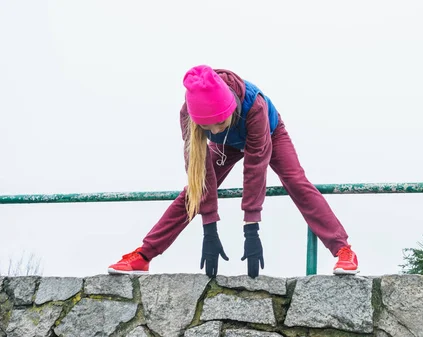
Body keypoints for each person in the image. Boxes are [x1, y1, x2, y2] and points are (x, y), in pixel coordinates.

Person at [107, 65, 359, 278]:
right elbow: (200, 175)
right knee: (192, 193)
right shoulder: (189, 114)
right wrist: (209, 227)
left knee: (296, 182)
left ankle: (343, 250)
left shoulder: (254, 106)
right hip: (228, 145)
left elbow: (255, 168)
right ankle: (143, 255)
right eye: (207, 127)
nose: (213, 131)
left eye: (218, 123)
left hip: (269, 133)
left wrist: (251, 228)